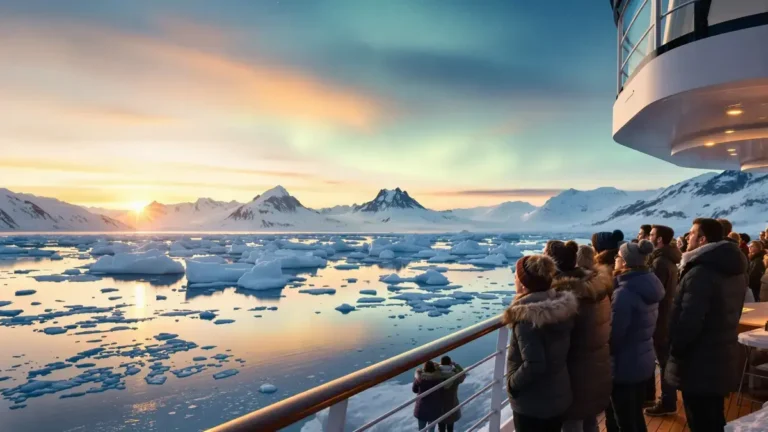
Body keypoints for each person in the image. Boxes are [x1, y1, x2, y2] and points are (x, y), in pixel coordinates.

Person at [666, 218, 747, 432]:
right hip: (721, 354)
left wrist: (675, 350)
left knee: (700, 418)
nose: (687, 236)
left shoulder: (700, 273)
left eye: (692, 233)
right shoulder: (734, 268)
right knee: (713, 415)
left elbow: (689, 321)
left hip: (698, 361)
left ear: (702, 239)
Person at [504, 255, 578, 432]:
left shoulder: (527, 317)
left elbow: (535, 364)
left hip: (534, 404)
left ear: (523, 284)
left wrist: (512, 385)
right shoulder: (560, 306)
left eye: (516, 276)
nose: (514, 279)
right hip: (558, 395)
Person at [545, 241, 613, 432]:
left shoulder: (564, 296)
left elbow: (559, 341)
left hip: (574, 374)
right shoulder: (595, 288)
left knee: (573, 422)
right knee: (589, 419)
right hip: (595, 368)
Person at [605, 240, 664, 432]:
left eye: (618, 257)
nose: (615, 260)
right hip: (642, 359)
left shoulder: (625, 293)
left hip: (625, 365)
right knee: (635, 417)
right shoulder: (649, 284)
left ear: (625, 263)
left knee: (625, 421)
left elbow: (616, 335)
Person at [644, 225, 682, 417]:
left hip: (660, 319)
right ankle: (667, 399)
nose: (649, 237)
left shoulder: (659, 262)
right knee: (665, 359)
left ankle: (668, 401)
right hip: (666, 315)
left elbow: (654, 293)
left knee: (664, 361)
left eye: (651, 235)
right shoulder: (669, 259)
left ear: (659, 240)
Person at [412, 361, 446, 432]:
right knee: (431, 429)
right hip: (434, 409)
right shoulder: (438, 379)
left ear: (424, 369)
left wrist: (417, 374)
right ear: (434, 369)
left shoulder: (420, 379)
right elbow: (442, 391)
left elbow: (414, 390)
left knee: (421, 429)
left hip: (422, 409)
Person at [437, 356, 464, 432]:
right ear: (450, 363)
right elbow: (463, 374)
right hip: (452, 405)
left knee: (441, 428)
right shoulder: (455, 376)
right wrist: (455, 365)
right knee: (450, 428)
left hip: (439, 407)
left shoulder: (436, 375)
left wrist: (437, 366)